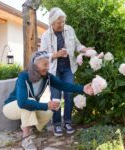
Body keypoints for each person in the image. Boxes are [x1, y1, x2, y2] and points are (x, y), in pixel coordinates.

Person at [2, 51, 93, 150]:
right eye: (45, 64)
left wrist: (82, 88)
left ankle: (30, 126)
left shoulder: (47, 77)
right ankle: (26, 138)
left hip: (27, 106)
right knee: (30, 102)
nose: (48, 67)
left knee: (49, 112)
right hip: (11, 107)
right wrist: (46, 105)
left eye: (48, 64)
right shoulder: (24, 76)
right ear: (34, 64)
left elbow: (63, 85)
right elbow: (22, 103)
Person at [40, 7, 95, 136]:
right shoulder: (46, 36)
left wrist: (85, 49)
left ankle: (68, 122)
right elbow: (42, 55)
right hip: (54, 71)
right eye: (59, 22)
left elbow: (77, 45)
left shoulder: (69, 30)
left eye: (63, 21)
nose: (62, 24)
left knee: (69, 93)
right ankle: (57, 124)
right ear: (52, 23)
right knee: (56, 96)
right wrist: (56, 54)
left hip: (68, 68)